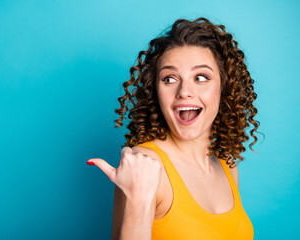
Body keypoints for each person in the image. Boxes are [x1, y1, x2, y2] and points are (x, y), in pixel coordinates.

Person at [87, 17, 259, 240]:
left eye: (200, 77)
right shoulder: (144, 165)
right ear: (155, 92)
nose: (184, 91)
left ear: (224, 87)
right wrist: (138, 200)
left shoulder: (227, 167)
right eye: (169, 79)